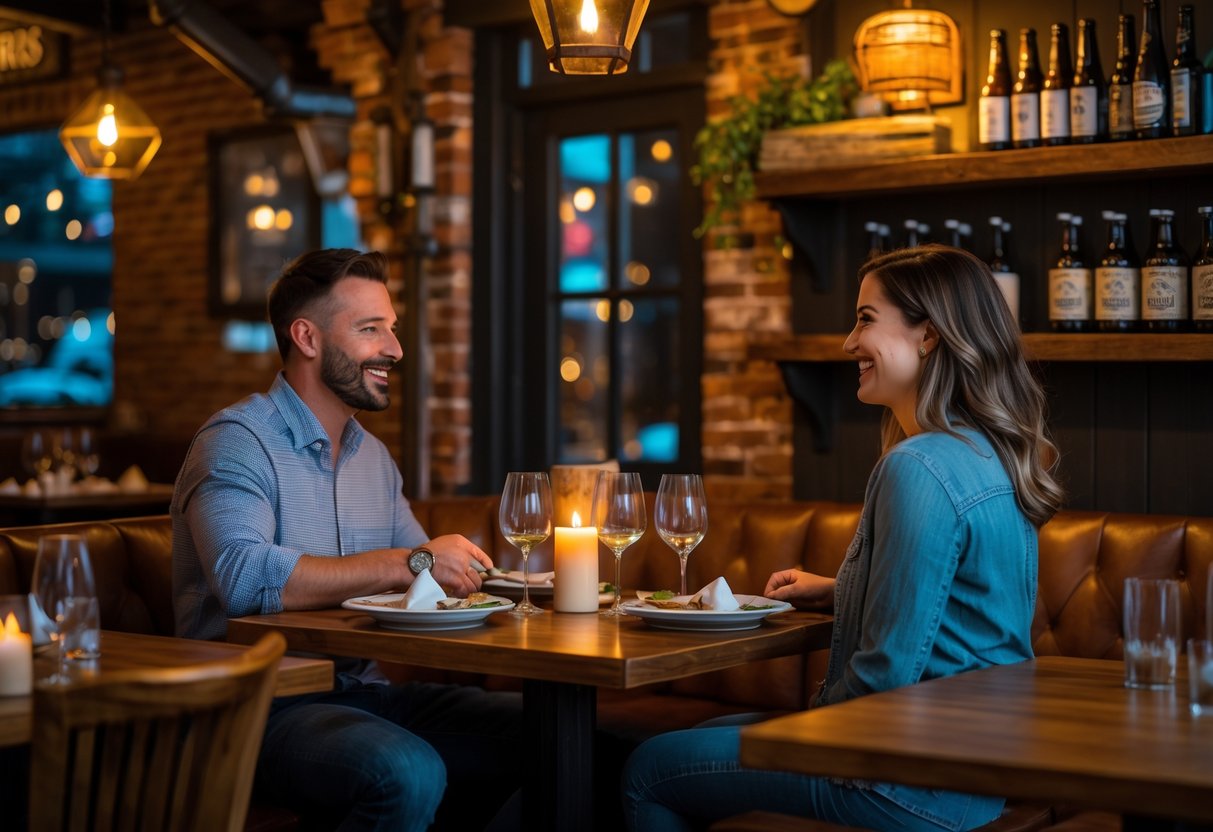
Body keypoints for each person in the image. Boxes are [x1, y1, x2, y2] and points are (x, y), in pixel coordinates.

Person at [622, 245, 1064, 832]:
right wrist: (842, 589)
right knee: (701, 735)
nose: (848, 343)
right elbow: (961, 609)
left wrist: (809, 727)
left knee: (647, 768)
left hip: (907, 781)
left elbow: (885, 675)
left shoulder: (920, 468)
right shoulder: (989, 454)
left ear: (927, 336)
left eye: (864, 319)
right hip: (977, 774)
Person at [172, 248, 522, 832]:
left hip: (365, 693)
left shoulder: (373, 458)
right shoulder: (236, 441)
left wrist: (512, 583)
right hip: (256, 709)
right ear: (306, 337)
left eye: (392, 329)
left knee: (565, 741)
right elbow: (243, 577)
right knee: (405, 771)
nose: (395, 349)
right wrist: (407, 563)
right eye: (370, 330)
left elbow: (429, 579)